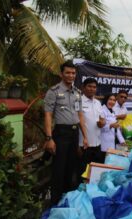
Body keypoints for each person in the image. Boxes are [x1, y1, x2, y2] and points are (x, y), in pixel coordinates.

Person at [44, 60, 88, 205]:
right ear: (61, 74)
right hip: (60, 134)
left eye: (73, 73)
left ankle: (68, 200)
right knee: (59, 169)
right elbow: (48, 115)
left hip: (74, 134)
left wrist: (85, 137)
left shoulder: (77, 93)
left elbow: (80, 115)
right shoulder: (54, 91)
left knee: (71, 168)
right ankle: (55, 202)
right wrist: (49, 138)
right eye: (68, 72)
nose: (71, 75)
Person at [78, 78, 105, 177]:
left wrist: (102, 123)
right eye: (89, 86)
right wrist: (77, 145)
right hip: (84, 145)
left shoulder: (98, 103)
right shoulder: (78, 101)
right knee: (82, 174)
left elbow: (101, 120)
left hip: (97, 144)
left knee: (94, 174)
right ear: (83, 88)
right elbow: (76, 122)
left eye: (94, 87)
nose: (92, 89)